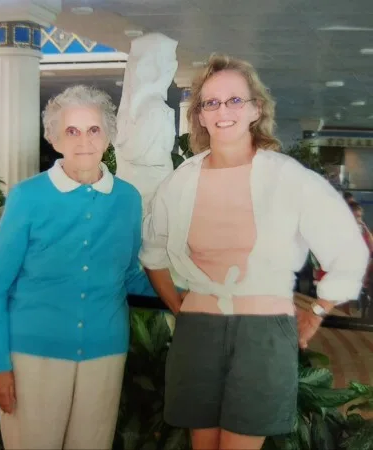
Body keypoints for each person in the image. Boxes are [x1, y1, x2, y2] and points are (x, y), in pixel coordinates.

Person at [140, 54, 369, 450]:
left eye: (234, 100)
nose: (222, 111)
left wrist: (317, 311)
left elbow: (348, 250)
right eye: (211, 102)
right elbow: (153, 252)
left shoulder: (288, 178)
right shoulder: (179, 183)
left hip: (263, 334)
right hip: (197, 332)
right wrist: (179, 307)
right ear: (200, 115)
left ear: (255, 109)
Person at [0, 85, 154, 450]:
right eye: (71, 130)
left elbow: (128, 275)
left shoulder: (127, 199)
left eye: (94, 129)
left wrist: (192, 295)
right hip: (32, 358)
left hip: (104, 356)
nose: (84, 141)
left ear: (108, 136)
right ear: (54, 138)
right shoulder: (28, 196)